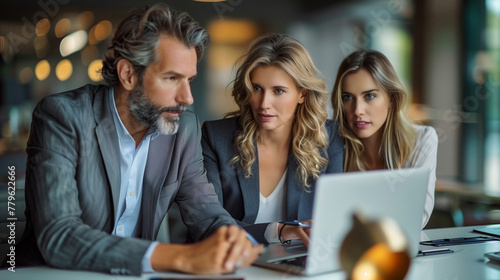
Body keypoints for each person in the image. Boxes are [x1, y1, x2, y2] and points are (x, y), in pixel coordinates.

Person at [8, 4, 262, 275]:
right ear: (128, 74)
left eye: (189, 79)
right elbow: (59, 234)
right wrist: (180, 257)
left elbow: (208, 214)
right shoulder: (62, 117)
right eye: (172, 78)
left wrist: (236, 241)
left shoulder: (184, 129)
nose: (187, 98)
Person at [201, 33, 344, 245]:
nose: (264, 103)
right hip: (229, 261)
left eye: (278, 91)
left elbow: (334, 219)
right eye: (257, 88)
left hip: (298, 262)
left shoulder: (329, 139)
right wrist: (277, 231)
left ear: (302, 94)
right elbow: (208, 223)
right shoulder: (216, 137)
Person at [330, 49, 438, 227]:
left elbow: (416, 218)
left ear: (391, 98)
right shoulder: (333, 144)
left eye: (370, 96)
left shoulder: (422, 140)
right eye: (348, 97)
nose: (358, 110)